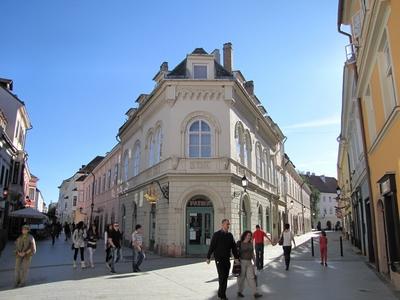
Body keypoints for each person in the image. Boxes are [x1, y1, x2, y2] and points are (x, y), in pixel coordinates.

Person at [206, 219, 239, 300]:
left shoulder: (230, 235)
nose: (228, 226)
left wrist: (236, 258)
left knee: (225, 277)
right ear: (222, 224)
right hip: (219, 259)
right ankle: (222, 295)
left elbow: (234, 247)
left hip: (227, 259)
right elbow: (212, 246)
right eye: (227, 224)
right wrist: (208, 257)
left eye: (229, 224)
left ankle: (220, 293)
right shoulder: (216, 235)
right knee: (222, 276)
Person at [237, 231, 262, 298]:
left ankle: (255, 293)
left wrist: (255, 261)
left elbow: (252, 253)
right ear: (244, 236)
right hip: (242, 262)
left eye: (250, 236)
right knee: (241, 278)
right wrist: (237, 261)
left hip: (249, 263)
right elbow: (236, 253)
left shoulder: (251, 243)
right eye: (248, 235)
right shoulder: (240, 243)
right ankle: (239, 291)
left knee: (251, 278)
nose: (249, 237)